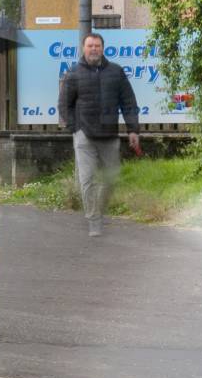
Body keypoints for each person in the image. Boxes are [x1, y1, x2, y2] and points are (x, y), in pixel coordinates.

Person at [58, 33, 141, 237]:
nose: (93, 49)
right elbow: (63, 105)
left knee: (112, 178)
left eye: (97, 45)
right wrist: (75, 128)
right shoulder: (74, 73)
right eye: (90, 45)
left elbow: (128, 103)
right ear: (83, 48)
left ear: (103, 48)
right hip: (84, 136)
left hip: (109, 135)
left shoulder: (116, 72)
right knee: (87, 181)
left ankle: (99, 210)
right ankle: (94, 220)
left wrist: (133, 130)